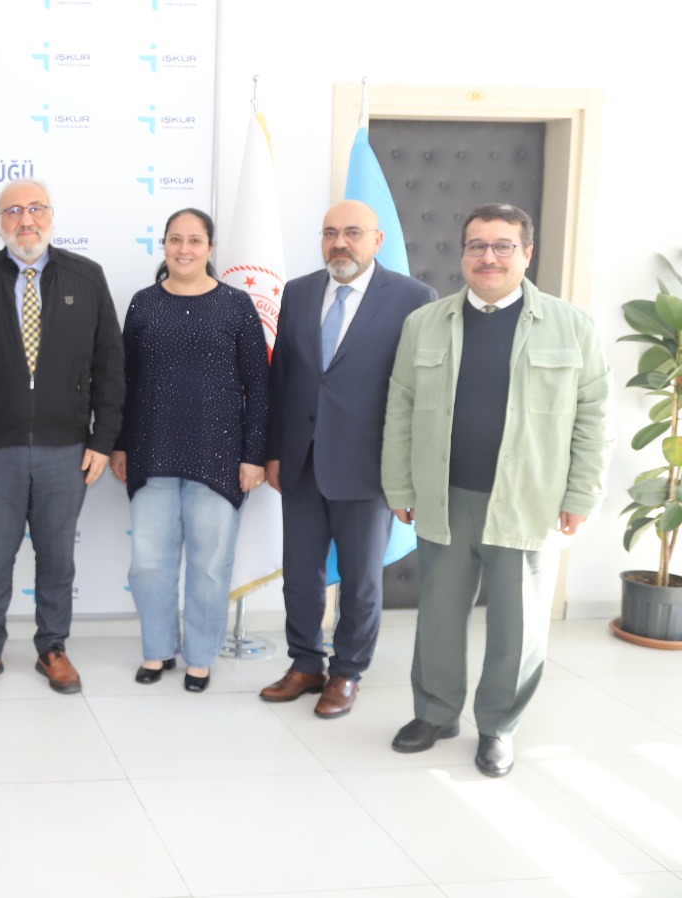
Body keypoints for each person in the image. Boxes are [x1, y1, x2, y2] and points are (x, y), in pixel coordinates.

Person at [384, 203, 610, 777]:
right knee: (439, 616)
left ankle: (498, 727)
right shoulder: (424, 324)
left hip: (529, 500)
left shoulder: (573, 326)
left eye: (503, 245)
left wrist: (581, 496)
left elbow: (594, 418)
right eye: (477, 245)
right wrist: (399, 483)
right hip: (445, 496)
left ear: (526, 254)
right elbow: (401, 409)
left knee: (519, 625)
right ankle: (435, 714)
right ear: (463, 253)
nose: (489, 257)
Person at [259, 200, 435, 716]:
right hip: (301, 462)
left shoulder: (412, 298)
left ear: (377, 241)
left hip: (370, 466)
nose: (340, 243)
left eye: (353, 232)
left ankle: (347, 672)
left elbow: (421, 390)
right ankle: (305, 664)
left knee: (360, 581)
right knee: (300, 575)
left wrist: (409, 473)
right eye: (330, 233)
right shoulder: (297, 292)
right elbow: (283, 378)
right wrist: (274, 452)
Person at [0, 179, 124, 695]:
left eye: (35, 209)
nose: (25, 220)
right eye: (13, 212)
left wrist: (102, 440)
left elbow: (110, 366)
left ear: (51, 215)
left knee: (57, 558)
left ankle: (53, 647)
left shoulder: (86, 277)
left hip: (67, 449)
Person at [110, 208, 269, 693]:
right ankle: (157, 650)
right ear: (163, 245)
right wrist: (119, 444)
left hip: (219, 456)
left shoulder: (236, 305)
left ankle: (200, 657)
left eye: (194, 240)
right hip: (150, 452)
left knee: (210, 565)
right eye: (175, 239)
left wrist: (254, 455)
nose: (184, 249)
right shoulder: (143, 303)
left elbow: (259, 385)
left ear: (210, 248)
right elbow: (125, 381)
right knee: (149, 563)